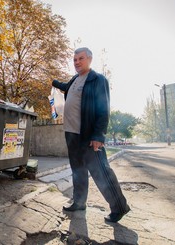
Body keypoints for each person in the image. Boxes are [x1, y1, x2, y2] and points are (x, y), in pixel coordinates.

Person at [52, 47, 130, 223]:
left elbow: (103, 109)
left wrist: (98, 135)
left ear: (89, 59)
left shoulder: (97, 79)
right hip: (72, 134)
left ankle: (119, 206)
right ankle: (79, 202)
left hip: (88, 135)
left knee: (100, 172)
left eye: (80, 58)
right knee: (78, 171)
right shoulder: (74, 79)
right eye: (74, 60)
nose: (77, 62)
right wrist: (54, 82)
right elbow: (65, 87)